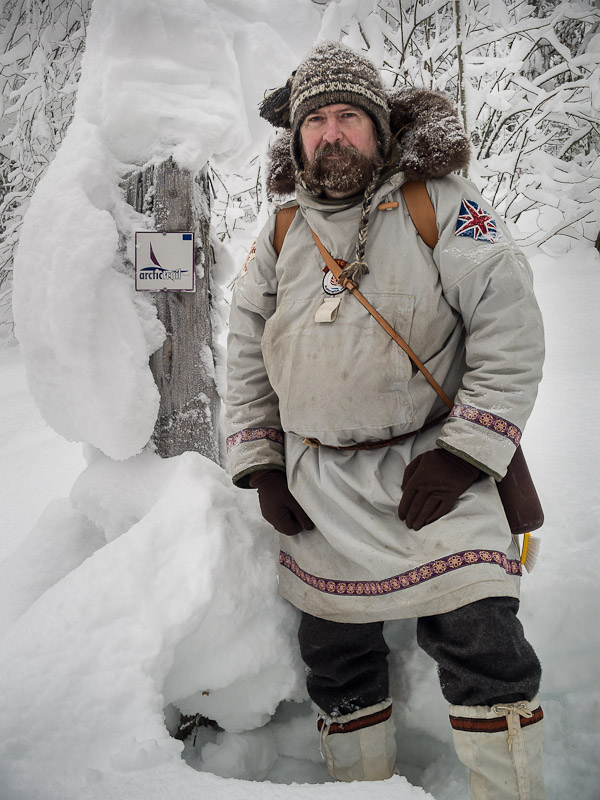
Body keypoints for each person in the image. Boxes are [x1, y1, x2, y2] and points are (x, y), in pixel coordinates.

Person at [225, 41, 546, 799]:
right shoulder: (279, 234)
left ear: (380, 128)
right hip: (319, 489)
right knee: (336, 658)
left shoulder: (442, 205)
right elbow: (244, 350)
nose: (331, 135)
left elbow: (511, 326)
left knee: (483, 640)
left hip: (434, 471)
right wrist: (262, 464)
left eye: (348, 118)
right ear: (297, 137)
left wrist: (467, 455)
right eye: (316, 122)